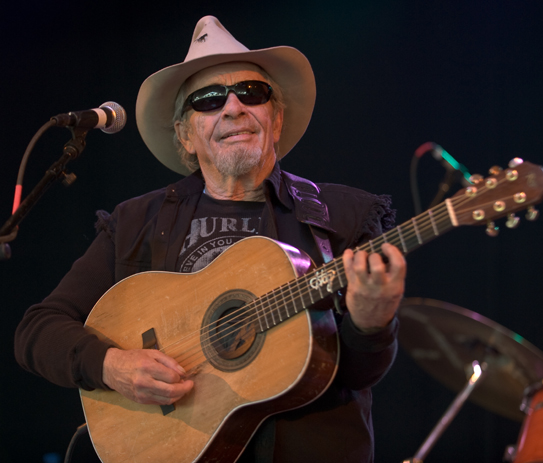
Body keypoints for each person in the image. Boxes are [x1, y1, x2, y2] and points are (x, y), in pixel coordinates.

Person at [15, 16, 406, 463]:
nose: (234, 107)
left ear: (275, 120)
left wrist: (373, 323)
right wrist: (112, 365)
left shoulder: (345, 217)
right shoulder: (135, 223)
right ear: (185, 135)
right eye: (209, 99)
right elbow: (37, 330)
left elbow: (357, 373)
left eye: (253, 93)